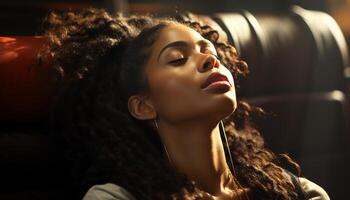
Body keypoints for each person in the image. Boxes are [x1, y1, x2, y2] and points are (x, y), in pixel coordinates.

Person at [44, 8, 330, 200]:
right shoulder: (114, 198)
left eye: (209, 50)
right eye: (178, 59)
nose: (210, 59)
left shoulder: (295, 191)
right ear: (143, 105)